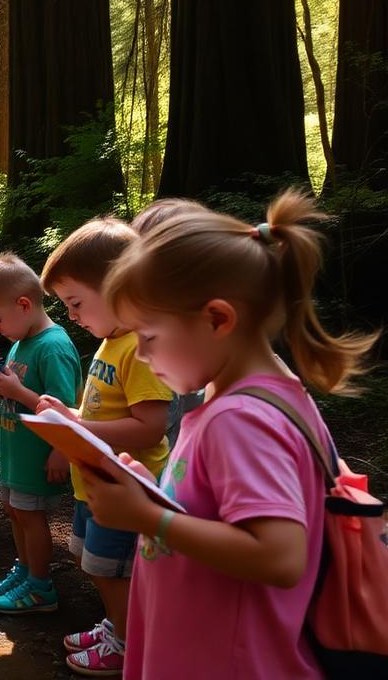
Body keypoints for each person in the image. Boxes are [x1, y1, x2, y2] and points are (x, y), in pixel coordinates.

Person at [83, 189, 378, 679]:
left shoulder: (239, 419)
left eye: (148, 337)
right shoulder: (270, 396)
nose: (140, 356)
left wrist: (147, 517)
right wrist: (151, 495)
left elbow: (280, 555)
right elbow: (220, 508)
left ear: (217, 319)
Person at [38, 218, 173, 677]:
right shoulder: (110, 342)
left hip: (126, 486)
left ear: (119, 287)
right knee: (91, 561)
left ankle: (128, 641)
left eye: (75, 303)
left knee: (112, 569)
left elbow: (150, 427)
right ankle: (117, 625)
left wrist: (80, 427)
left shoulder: (138, 347)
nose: (72, 316)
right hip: (94, 481)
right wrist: (73, 418)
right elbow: (105, 409)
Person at [0, 253, 81, 614]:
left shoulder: (54, 346)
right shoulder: (20, 342)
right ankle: (25, 570)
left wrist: (61, 451)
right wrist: (1, 389)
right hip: (16, 453)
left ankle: (40, 585)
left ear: (23, 304)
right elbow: (21, 391)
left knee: (31, 519)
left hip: (39, 455)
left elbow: (63, 408)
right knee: (14, 512)